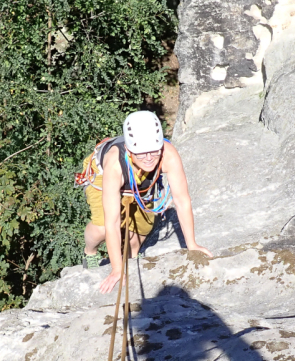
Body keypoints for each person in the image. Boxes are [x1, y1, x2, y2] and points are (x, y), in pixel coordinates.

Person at [76, 111, 212, 294]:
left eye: (154, 151)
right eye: (141, 153)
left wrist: (192, 244)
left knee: (139, 234)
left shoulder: (167, 155)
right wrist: (117, 270)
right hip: (102, 175)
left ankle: (129, 255)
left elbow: (182, 201)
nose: (148, 158)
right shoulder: (114, 165)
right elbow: (113, 222)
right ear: (130, 151)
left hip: (142, 178)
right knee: (102, 227)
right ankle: (90, 252)